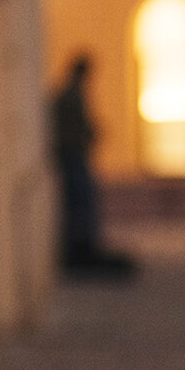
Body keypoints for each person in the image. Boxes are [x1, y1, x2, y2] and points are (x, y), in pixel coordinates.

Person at [49, 52, 137, 278]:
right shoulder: (71, 95)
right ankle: (80, 248)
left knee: (81, 204)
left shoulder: (70, 94)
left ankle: (81, 247)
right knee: (81, 205)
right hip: (73, 157)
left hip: (74, 157)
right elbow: (76, 127)